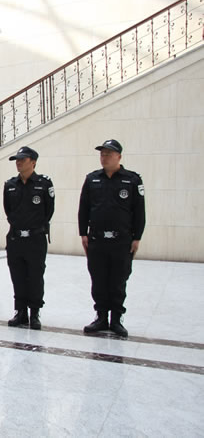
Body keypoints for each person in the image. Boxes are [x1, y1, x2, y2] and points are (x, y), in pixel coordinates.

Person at [79, 139, 145, 337]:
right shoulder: (92, 179)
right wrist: (83, 233)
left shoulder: (132, 180)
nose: (104, 157)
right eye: (102, 153)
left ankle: (116, 319)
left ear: (119, 156)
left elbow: (139, 211)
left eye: (108, 153)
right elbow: (84, 208)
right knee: (98, 279)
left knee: (118, 280)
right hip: (97, 240)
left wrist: (137, 237)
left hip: (121, 241)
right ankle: (101, 317)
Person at [3, 146, 55, 330]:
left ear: (33, 162)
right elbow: (8, 211)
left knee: (35, 276)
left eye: (22, 159)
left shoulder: (44, 184)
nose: (18, 162)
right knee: (17, 276)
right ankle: (20, 312)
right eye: (17, 160)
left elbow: (49, 211)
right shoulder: (10, 185)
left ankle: (34, 313)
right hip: (16, 239)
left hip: (35, 239)